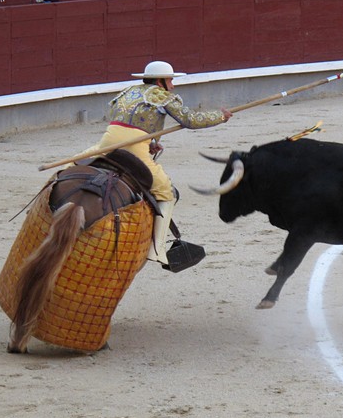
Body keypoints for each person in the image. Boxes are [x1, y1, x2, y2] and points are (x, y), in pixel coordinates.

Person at [79, 60, 232, 266]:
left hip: (109, 138)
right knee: (166, 192)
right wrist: (220, 116)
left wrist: (150, 141)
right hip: (134, 146)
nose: (173, 85)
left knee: (75, 163)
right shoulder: (162, 95)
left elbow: (126, 121)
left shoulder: (129, 91)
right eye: (170, 80)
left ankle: (46, 200)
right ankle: (157, 250)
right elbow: (190, 120)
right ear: (160, 81)